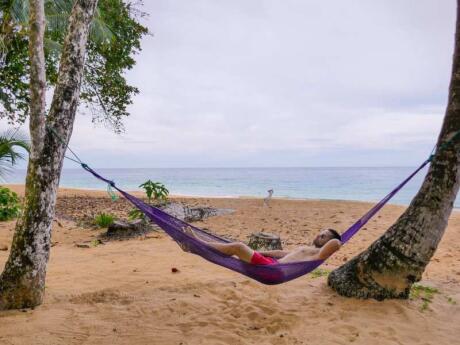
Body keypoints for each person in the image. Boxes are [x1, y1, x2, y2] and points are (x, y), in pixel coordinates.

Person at [183, 227, 342, 265]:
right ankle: (195, 248)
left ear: (328, 242)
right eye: (320, 232)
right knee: (234, 249)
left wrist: (334, 239)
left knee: (237, 247)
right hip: (271, 264)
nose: (318, 235)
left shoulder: (318, 253)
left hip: (274, 270)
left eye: (323, 236)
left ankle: (198, 242)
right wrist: (257, 251)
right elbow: (280, 252)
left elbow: (337, 243)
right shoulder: (308, 249)